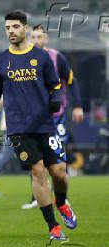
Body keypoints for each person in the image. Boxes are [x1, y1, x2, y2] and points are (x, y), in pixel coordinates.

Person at [0, 10, 77, 240]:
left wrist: (56, 98)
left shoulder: (41, 57)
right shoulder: (0, 60)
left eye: (15, 27)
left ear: (25, 28)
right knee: (37, 172)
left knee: (59, 173)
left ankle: (61, 202)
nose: (11, 31)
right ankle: (53, 227)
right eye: (7, 27)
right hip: (18, 129)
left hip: (46, 126)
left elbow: (55, 84)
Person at [18, 24, 84, 209]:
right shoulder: (23, 59)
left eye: (40, 37)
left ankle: (63, 196)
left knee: (58, 158)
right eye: (34, 37)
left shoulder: (57, 57)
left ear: (46, 39)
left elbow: (72, 81)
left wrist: (78, 106)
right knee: (35, 158)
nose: (37, 41)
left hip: (56, 116)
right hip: (33, 118)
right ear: (29, 39)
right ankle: (36, 196)